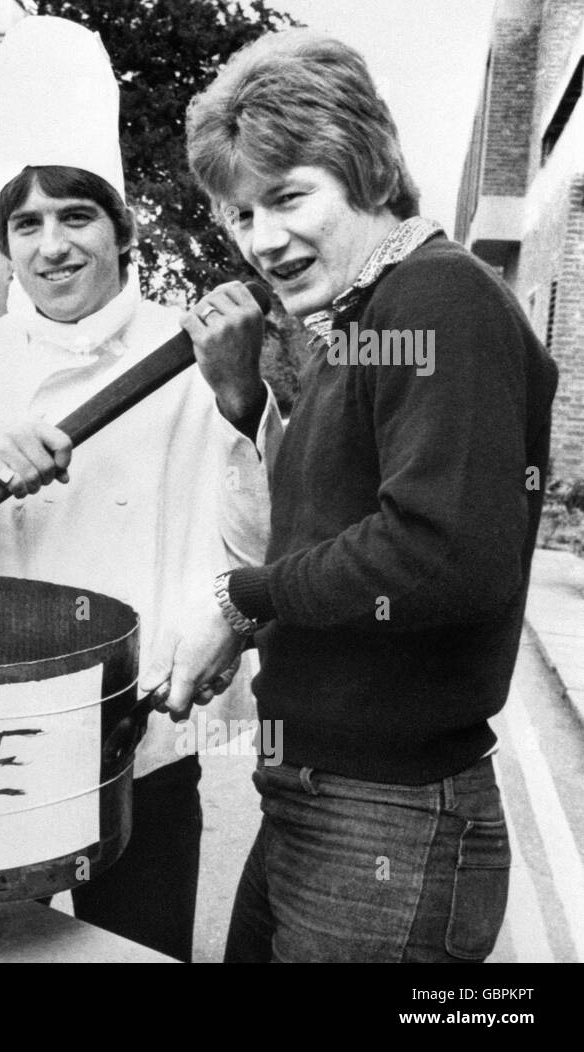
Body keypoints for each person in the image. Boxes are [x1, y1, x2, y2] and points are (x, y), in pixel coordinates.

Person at [149, 30, 560, 962]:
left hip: (389, 824)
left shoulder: (436, 300)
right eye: (241, 217)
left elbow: (441, 556)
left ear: (366, 170)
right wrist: (247, 400)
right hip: (320, 799)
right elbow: (331, 520)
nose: (263, 240)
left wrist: (236, 600)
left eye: (290, 197)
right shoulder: (366, 319)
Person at [0, 160, 281, 959]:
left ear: (123, 234)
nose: (52, 246)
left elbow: (264, 545)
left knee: (134, 951)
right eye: (27, 226)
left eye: (76, 218)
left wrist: (242, 400)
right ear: (8, 252)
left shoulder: (196, 352)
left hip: (139, 735)